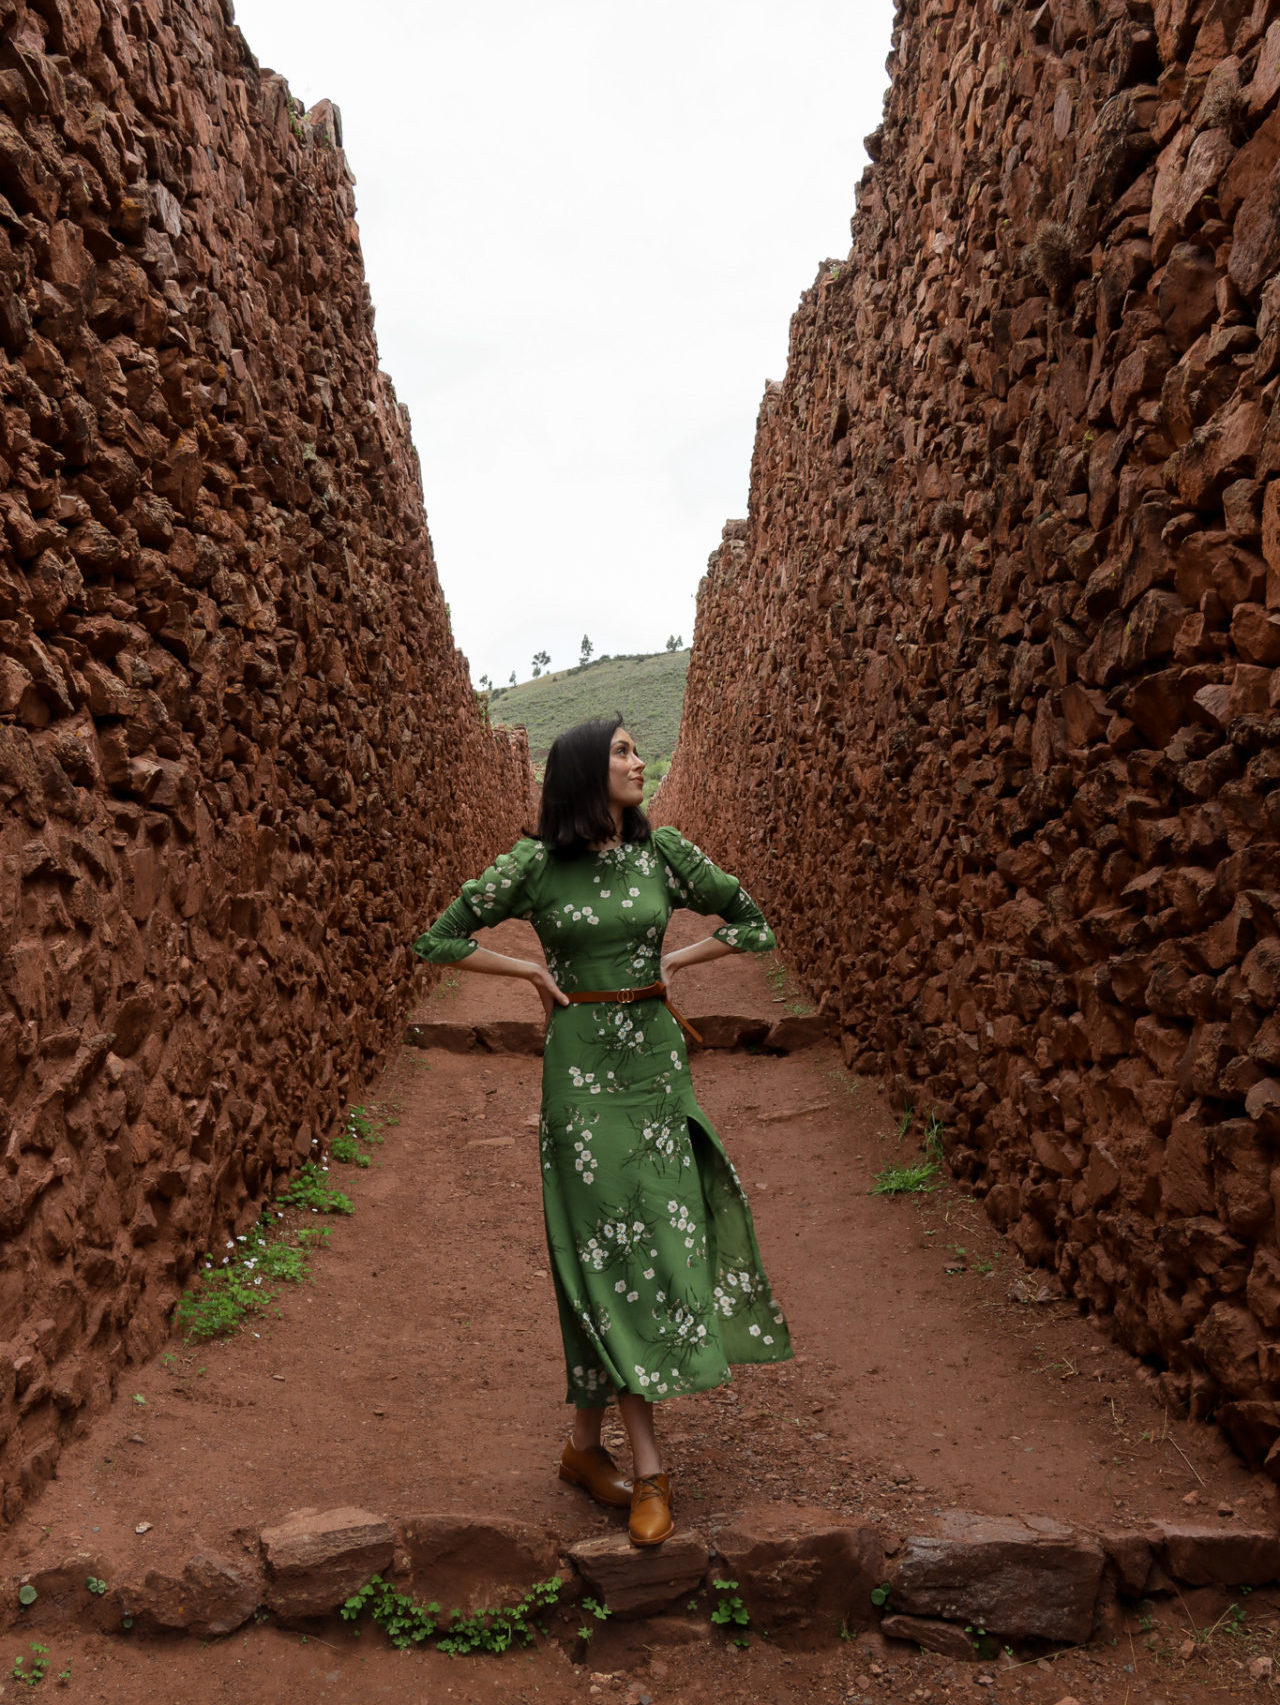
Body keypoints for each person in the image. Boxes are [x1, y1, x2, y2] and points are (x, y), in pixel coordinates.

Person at [413, 715, 791, 1546]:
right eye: (622, 751)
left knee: (650, 1242)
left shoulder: (666, 853)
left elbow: (752, 921)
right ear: (584, 770)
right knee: (609, 1252)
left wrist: (678, 962)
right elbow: (436, 939)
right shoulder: (537, 866)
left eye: (636, 748)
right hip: (579, 1082)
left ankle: (585, 1449)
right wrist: (526, 969)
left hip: (656, 1073)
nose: (637, 760)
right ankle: (649, 1467)